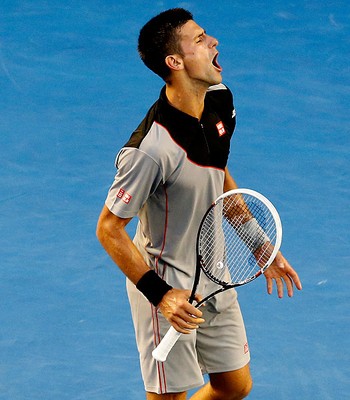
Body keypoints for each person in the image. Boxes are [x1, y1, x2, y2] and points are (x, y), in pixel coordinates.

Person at [96, 8, 302, 400]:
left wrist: (258, 243)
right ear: (175, 62)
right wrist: (162, 294)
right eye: (200, 39)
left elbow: (217, 172)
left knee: (234, 386)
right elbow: (108, 228)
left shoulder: (219, 101)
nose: (214, 42)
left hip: (215, 274)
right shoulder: (150, 151)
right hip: (168, 288)